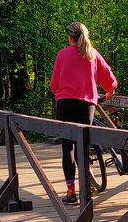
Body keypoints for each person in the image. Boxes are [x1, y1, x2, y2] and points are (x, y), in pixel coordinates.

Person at [50, 22, 118, 204]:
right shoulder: (92, 54)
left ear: (70, 37)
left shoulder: (62, 54)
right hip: (86, 105)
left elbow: (54, 84)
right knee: (82, 146)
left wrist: (61, 93)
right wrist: (110, 91)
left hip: (65, 104)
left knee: (68, 149)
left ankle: (71, 193)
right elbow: (109, 79)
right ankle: (86, 188)